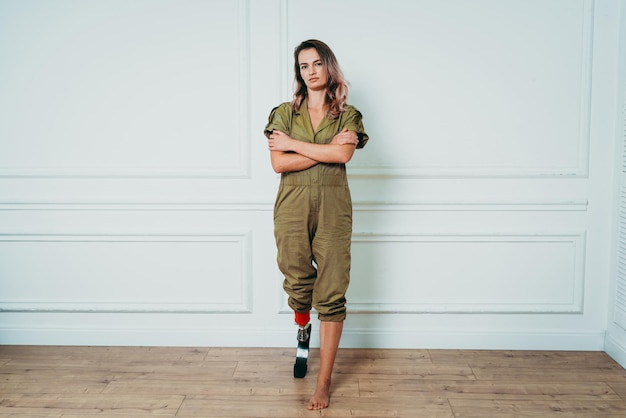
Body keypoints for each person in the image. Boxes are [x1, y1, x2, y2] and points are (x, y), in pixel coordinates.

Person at [264, 39, 368, 410]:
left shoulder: (349, 114)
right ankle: (303, 325)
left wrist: (296, 147)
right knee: (295, 278)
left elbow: (344, 154)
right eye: (303, 65)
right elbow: (279, 164)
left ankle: (323, 383)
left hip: (334, 209)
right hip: (291, 206)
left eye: (317, 63)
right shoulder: (283, 113)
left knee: (333, 289)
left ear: (329, 68)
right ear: (299, 72)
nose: (310, 71)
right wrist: (316, 150)